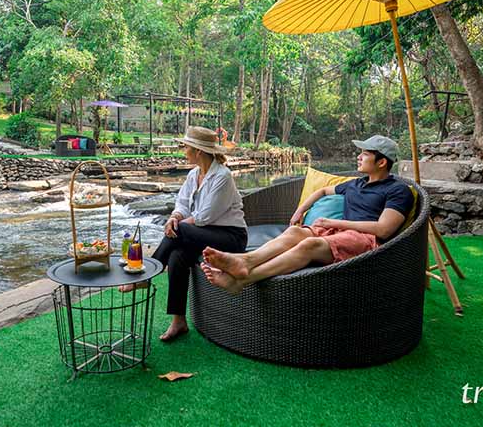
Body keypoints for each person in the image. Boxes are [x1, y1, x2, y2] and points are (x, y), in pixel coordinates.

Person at [202, 135, 414, 294]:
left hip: (366, 242)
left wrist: (335, 222)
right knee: (294, 232)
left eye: (365, 154)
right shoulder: (355, 183)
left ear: (382, 162)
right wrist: (300, 210)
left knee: (309, 245)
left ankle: (242, 280)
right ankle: (245, 262)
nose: (358, 157)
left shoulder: (397, 190)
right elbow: (322, 191)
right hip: (339, 232)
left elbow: (384, 230)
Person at [123, 126, 247, 341]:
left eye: (186, 147)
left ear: (198, 151)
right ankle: (179, 321)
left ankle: (147, 274)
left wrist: (177, 225)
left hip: (231, 237)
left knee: (180, 229)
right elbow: (182, 204)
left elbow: (205, 216)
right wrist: (174, 217)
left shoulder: (222, 176)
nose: (183, 151)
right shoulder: (194, 174)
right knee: (177, 256)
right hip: (201, 233)